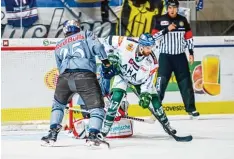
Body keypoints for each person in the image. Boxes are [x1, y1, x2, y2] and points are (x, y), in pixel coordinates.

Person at [41, 19, 115, 147]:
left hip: (64, 79)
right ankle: (93, 136)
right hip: (85, 77)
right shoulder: (86, 34)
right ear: (77, 28)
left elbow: (60, 67)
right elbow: (97, 47)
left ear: (65, 30)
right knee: (96, 109)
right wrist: (107, 64)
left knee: (58, 106)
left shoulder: (59, 45)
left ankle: (52, 135)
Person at [100, 33, 176, 137]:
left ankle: (167, 126)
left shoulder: (153, 62)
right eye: (148, 47)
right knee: (115, 100)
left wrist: (145, 94)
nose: (150, 50)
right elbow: (106, 39)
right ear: (141, 46)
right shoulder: (126, 43)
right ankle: (104, 130)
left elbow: (148, 81)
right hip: (122, 75)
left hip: (140, 82)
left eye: (151, 47)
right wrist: (111, 55)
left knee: (156, 102)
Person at [151, 0, 200, 118]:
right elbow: (153, 37)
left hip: (180, 57)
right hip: (165, 57)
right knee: (160, 84)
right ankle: (156, 110)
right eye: (170, 8)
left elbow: (189, 38)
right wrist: (166, 29)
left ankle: (191, 110)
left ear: (177, 8)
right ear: (167, 8)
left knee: (186, 84)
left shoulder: (183, 20)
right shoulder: (159, 20)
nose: (172, 10)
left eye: (174, 8)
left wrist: (191, 53)